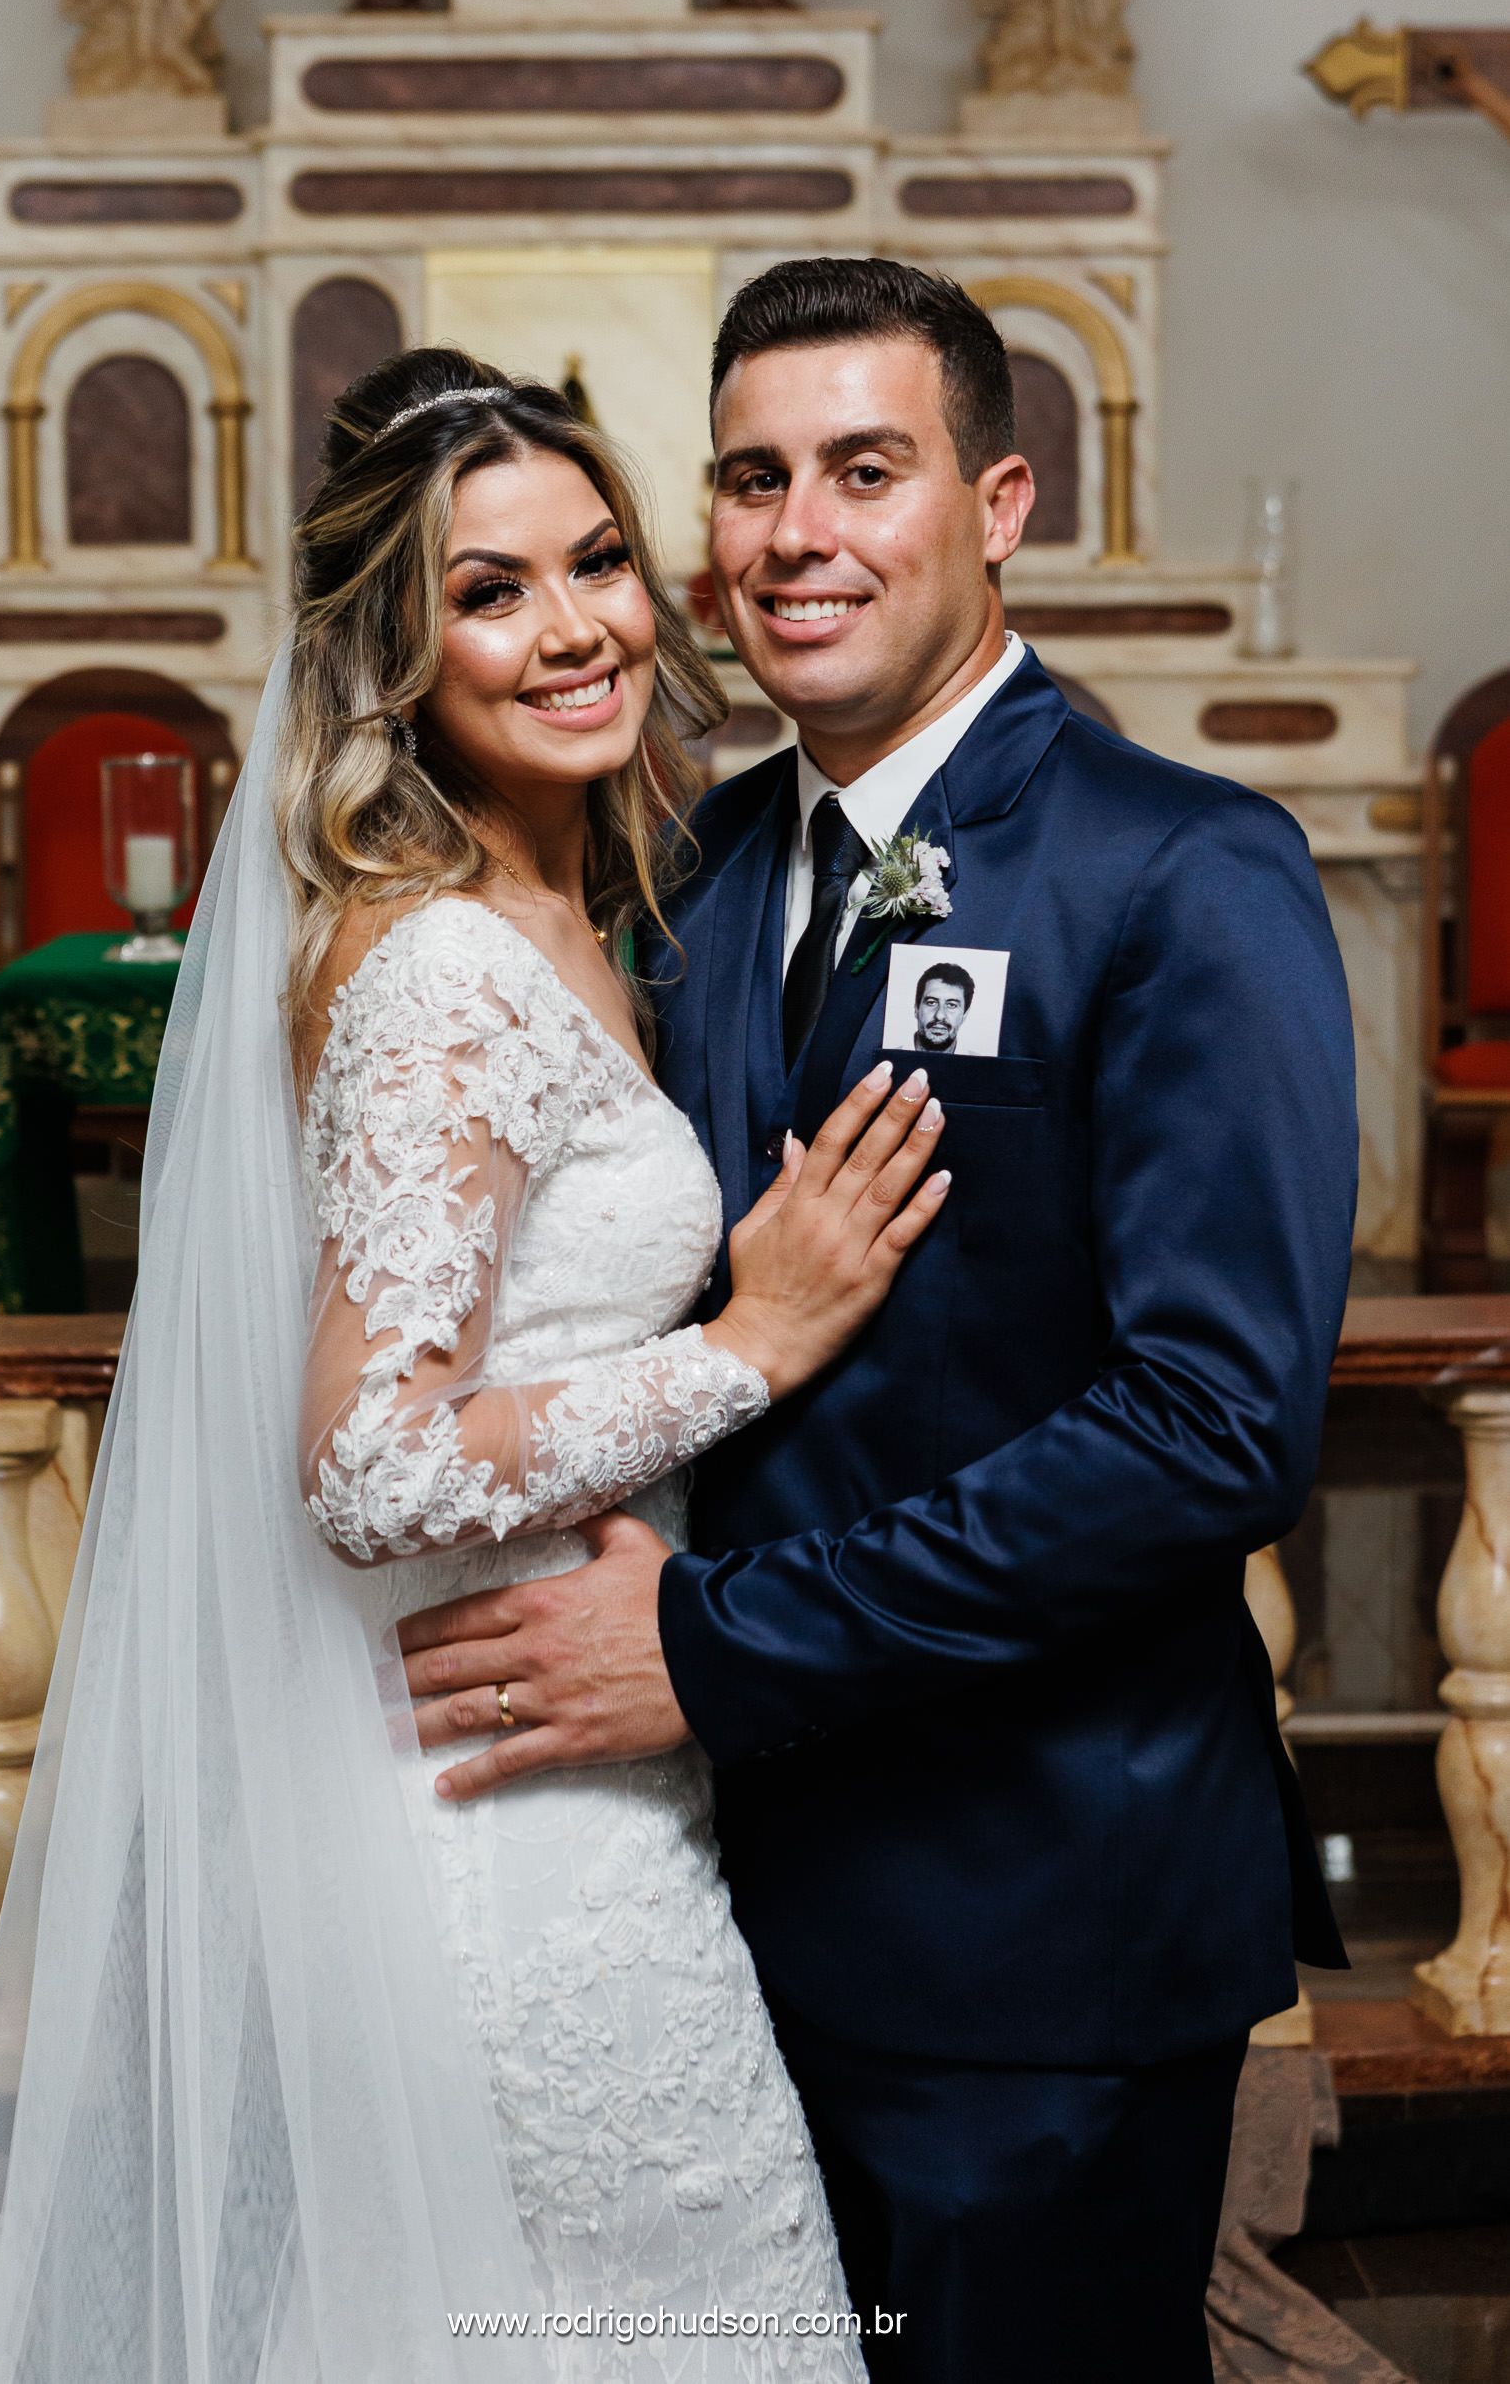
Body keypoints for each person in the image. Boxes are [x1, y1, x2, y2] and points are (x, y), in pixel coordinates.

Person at [0, 348, 952, 2384]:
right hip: (506, 1823)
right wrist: (745, 1346)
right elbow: (372, 1463)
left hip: (596, 1751)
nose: (572, 628)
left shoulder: (583, 909)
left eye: (595, 562)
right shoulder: (444, 966)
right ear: (392, 657)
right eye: (488, 591)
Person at [399, 260, 1359, 2384]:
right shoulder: (689, 867)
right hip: (699, 1913)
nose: (793, 533)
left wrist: (712, 1641)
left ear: (997, 502)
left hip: (1032, 1917)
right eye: (750, 479)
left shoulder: (1182, 870)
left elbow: (1210, 1425)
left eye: (862, 469)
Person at [911, 959, 971, 1052]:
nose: (939, 1015)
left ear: (965, 1014)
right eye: (931, 1003)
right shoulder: (889, 1056)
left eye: (951, 1005)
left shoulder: (983, 1062)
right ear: (916, 1009)